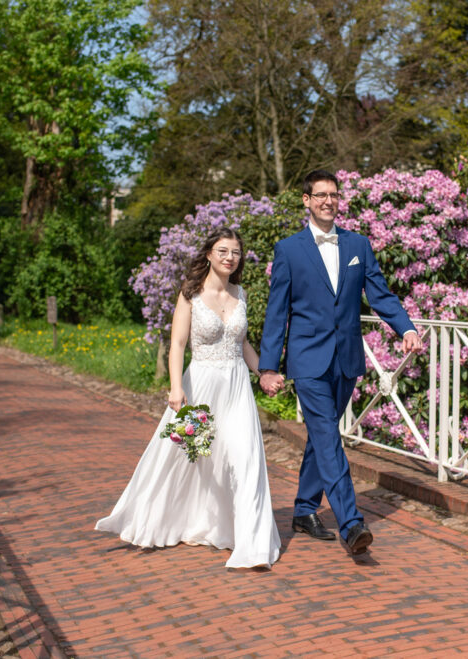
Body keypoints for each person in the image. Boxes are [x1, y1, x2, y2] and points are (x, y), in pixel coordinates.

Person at [96, 228, 281, 569]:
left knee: (245, 458)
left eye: (235, 252)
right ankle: (172, 519)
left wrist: (263, 373)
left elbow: (241, 344)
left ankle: (252, 546)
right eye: (223, 251)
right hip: (199, 387)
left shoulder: (240, 293)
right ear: (209, 254)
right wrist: (175, 387)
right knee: (184, 457)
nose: (229, 257)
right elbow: (178, 344)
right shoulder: (190, 294)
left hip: (237, 388)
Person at [259, 170, 421, 555]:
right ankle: (351, 523)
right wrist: (269, 366)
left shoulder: (357, 245)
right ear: (306, 200)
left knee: (324, 434)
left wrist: (406, 328)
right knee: (329, 437)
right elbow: (277, 313)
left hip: (346, 358)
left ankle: (304, 509)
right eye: (320, 195)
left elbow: (380, 295)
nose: (328, 201)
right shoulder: (289, 250)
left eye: (333, 195)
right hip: (308, 360)